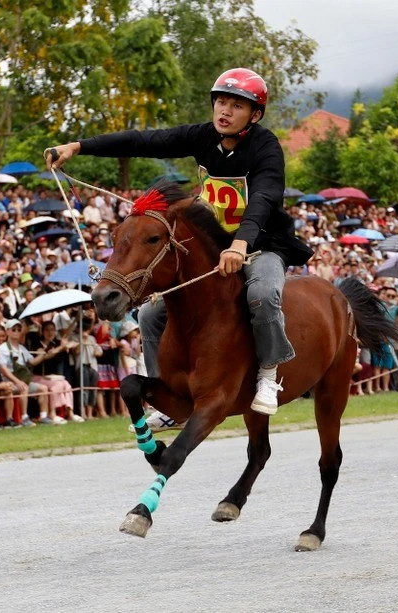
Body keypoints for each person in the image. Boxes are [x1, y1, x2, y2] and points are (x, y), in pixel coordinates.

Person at [46, 67, 313, 423]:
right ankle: (169, 396)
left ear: (255, 114)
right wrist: (78, 146)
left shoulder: (266, 148)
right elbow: (143, 141)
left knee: (262, 294)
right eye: (221, 101)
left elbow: (263, 199)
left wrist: (240, 245)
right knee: (151, 313)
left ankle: (268, 375)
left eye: (237, 105)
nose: (225, 110)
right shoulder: (201, 137)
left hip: (262, 244)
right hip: (217, 246)